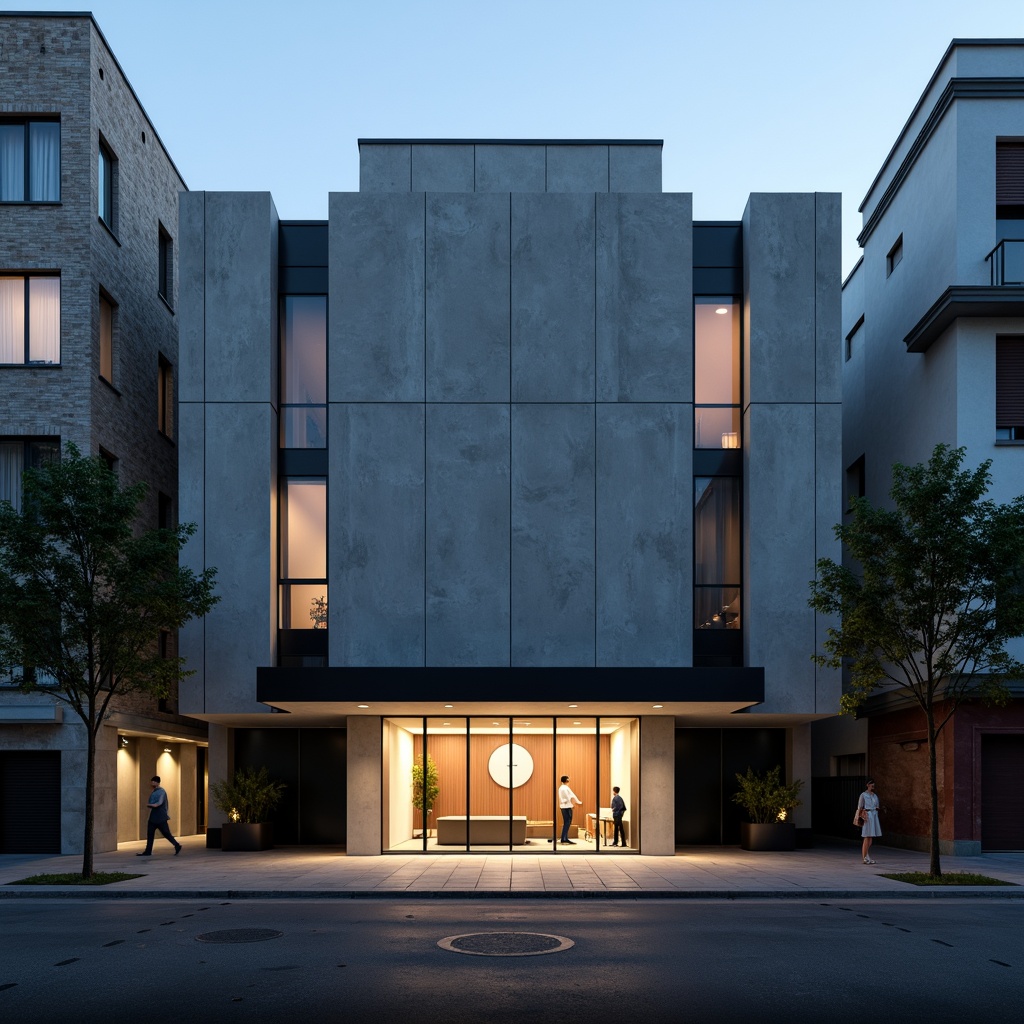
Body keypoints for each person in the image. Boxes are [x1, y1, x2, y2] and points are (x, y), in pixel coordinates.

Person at [137, 775, 182, 856]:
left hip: (160, 817)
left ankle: (177, 845)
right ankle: (148, 851)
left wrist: (152, 805)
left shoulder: (161, 791)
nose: (152, 783)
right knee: (150, 833)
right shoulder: (155, 791)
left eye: (153, 782)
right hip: (154, 816)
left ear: (157, 782)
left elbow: (160, 803)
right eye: (152, 782)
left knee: (166, 833)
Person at [857, 778, 882, 864]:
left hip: (874, 815)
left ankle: (867, 856)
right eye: (871, 784)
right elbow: (860, 807)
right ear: (867, 785)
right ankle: (864, 857)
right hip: (867, 816)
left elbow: (877, 806)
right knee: (867, 836)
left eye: (873, 785)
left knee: (870, 837)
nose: (873, 786)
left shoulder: (875, 796)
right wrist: (861, 816)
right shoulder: (863, 795)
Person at [557, 775, 582, 845]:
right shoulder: (565, 788)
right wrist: (573, 803)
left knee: (566, 822)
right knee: (567, 822)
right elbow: (569, 796)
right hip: (566, 807)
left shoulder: (561, 788)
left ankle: (564, 838)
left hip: (563, 806)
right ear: (567, 780)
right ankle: (564, 838)